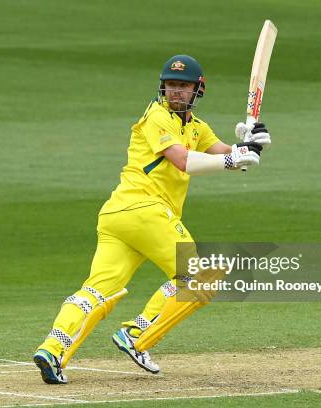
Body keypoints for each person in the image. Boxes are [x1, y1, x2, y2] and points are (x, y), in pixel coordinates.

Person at [33, 55, 271, 384]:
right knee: (200, 277)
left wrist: (250, 143)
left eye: (183, 86)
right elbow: (183, 161)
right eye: (171, 85)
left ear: (197, 90)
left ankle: (53, 351)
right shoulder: (157, 116)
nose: (175, 92)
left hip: (119, 216)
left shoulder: (196, 127)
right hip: (146, 210)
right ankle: (137, 335)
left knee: (99, 290)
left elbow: (226, 155)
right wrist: (236, 157)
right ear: (163, 87)